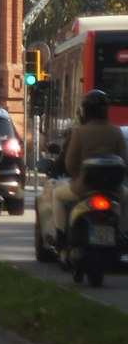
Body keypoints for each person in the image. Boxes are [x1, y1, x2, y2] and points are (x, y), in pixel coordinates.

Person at [51, 90, 126, 241]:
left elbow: (70, 163)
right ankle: (124, 233)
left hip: (83, 186)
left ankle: (61, 234)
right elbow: (124, 161)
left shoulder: (79, 132)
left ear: (85, 111)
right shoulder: (116, 131)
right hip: (113, 188)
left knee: (57, 195)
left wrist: (76, 177)